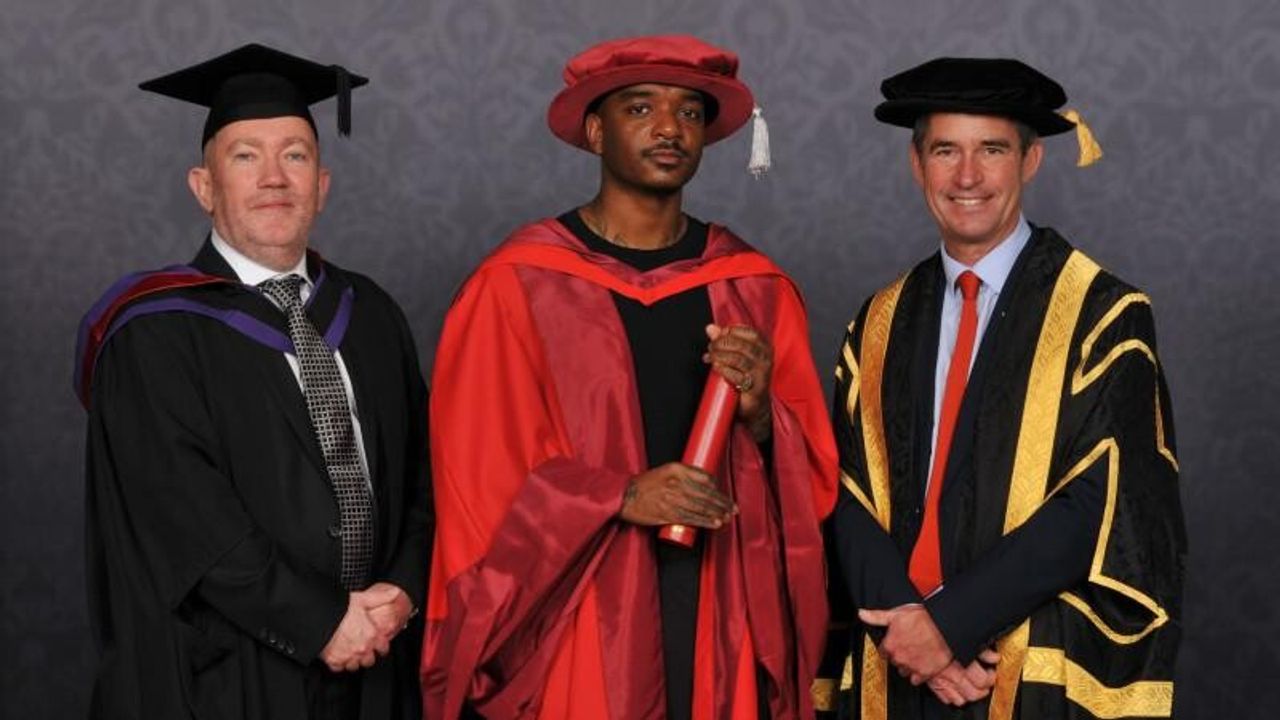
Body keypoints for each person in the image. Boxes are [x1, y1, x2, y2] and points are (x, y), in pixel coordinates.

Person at [421, 35, 838, 720]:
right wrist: (618, 496)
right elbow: (474, 483)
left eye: (689, 113)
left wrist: (763, 414)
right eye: (640, 108)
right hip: (579, 616)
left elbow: (812, 485)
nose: (670, 128)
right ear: (594, 131)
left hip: (718, 606)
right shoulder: (516, 286)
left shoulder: (754, 288)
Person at [75, 44, 431, 720]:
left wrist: (403, 593)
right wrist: (321, 621)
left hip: (375, 672)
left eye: (294, 155)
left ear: (321, 185)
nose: (274, 177)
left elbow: (425, 477)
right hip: (221, 677)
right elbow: (188, 519)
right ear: (204, 187)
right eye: (245, 156)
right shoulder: (151, 333)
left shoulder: (372, 312)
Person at [825, 58, 1186, 719]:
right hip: (894, 665)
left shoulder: (1102, 313)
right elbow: (840, 488)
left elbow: (1098, 501)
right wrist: (906, 628)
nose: (967, 177)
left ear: (1030, 160)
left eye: (991, 149)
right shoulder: (877, 322)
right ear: (917, 164)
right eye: (945, 151)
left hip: (1025, 668)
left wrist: (950, 627)